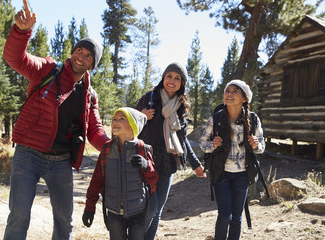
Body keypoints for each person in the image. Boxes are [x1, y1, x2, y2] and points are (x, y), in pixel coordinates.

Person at [3, 1, 110, 239]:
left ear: (93, 64)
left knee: (64, 221)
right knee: (19, 215)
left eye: (88, 55)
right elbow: (16, 59)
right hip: (28, 154)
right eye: (79, 50)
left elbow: (94, 129)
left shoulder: (89, 94)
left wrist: (110, 146)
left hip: (61, 161)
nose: (81, 56)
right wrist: (22, 32)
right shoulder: (48, 69)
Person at [135, 62, 206, 240]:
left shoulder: (182, 106)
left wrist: (195, 164)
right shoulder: (149, 98)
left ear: (182, 83)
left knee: (157, 210)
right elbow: (127, 124)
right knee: (149, 209)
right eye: (169, 76)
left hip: (167, 165)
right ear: (163, 77)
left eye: (177, 78)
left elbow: (182, 140)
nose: (172, 81)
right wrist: (140, 116)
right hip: (146, 162)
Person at [199, 79, 265, 240]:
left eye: (234, 91)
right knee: (224, 215)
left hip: (243, 175)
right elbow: (202, 144)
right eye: (227, 91)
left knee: (237, 217)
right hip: (221, 173)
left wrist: (256, 145)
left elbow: (262, 146)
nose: (229, 94)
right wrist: (213, 145)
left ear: (244, 98)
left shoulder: (253, 119)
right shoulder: (216, 118)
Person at [82, 107, 159, 240]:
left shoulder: (142, 149)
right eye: (114, 119)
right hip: (114, 213)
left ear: (133, 125)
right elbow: (96, 180)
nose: (115, 122)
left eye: (121, 119)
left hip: (139, 212)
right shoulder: (107, 149)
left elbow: (154, 180)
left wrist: (146, 166)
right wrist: (90, 208)